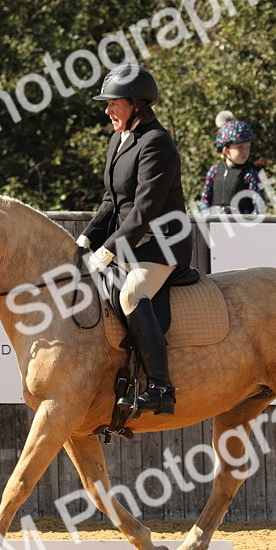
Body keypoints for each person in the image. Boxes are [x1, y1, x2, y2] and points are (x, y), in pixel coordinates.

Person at [76, 64, 192, 415]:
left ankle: (160, 387)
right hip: (130, 242)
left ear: (138, 104)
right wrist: (85, 239)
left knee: (132, 293)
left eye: (114, 103)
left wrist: (108, 250)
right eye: (108, 104)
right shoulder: (118, 139)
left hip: (160, 245)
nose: (107, 110)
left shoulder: (157, 143)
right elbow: (111, 201)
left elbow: (143, 210)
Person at [198, 111, 265, 215]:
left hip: (242, 227)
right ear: (226, 150)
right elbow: (205, 200)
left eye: (248, 147)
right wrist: (208, 216)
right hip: (216, 226)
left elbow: (259, 208)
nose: (245, 151)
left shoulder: (250, 174)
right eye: (240, 147)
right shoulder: (214, 171)